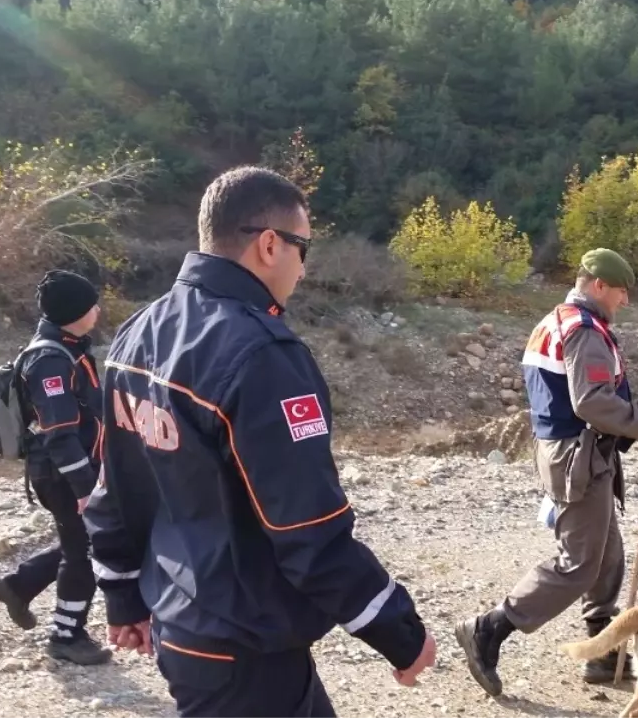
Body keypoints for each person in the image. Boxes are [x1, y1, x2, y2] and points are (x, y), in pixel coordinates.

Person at [81, 165, 435, 717]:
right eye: (303, 247)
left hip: (181, 621)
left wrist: (124, 594)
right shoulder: (262, 355)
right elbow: (308, 528)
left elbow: (114, 489)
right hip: (242, 644)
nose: (303, 265)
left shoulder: (139, 331)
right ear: (270, 245)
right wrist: (399, 632)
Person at [455, 248, 638, 697]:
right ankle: (488, 629)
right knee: (578, 565)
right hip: (577, 455)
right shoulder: (585, 331)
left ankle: (602, 650)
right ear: (598, 286)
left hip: (570, 451)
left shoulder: (556, 321)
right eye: (620, 291)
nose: (624, 301)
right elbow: (592, 402)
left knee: (606, 552)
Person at [0, 269, 112, 666]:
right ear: (73, 312)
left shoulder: (69, 347)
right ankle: (66, 635)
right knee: (85, 550)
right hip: (61, 471)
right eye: (91, 303)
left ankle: (18, 584)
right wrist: (84, 489)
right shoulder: (49, 359)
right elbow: (59, 433)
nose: (98, 308)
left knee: (80, 540)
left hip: (68, 469)